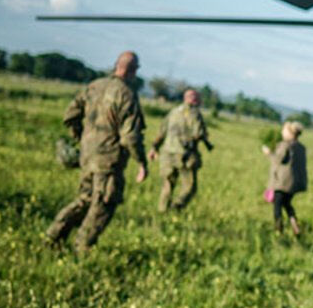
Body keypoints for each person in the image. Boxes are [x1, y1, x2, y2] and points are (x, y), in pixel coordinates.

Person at [44, 51, 148, 254]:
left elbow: (70, 115)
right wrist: (142, 163)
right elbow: (129, 137)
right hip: (108, 160)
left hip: (87, 155)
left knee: (85, 199)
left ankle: (53, 236)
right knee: (103, 205)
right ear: (133, 70)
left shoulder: (94, 86)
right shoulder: (126, 94)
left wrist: (82, 139)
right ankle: (82, 248)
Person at [150, 88, 214, 212]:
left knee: (167, 186)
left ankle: (162, 211)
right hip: (185, 156)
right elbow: (199, 133)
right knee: (190, 187)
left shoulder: (173, 112)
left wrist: (154, 147)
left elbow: (161, 131)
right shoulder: (195, 114)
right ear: (195, 100)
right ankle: (176, 207)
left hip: (167, 154)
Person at [263, 121, 307, 236]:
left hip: (282, 182)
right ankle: (294, 224)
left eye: (284, 130)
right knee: (287, 204)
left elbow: (278, 159)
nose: (282, 132)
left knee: (277, 206)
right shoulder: (301, 147)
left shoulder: (285, 145)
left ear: (289, 133)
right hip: (294, 184)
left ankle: (279, 229)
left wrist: (268, 153)